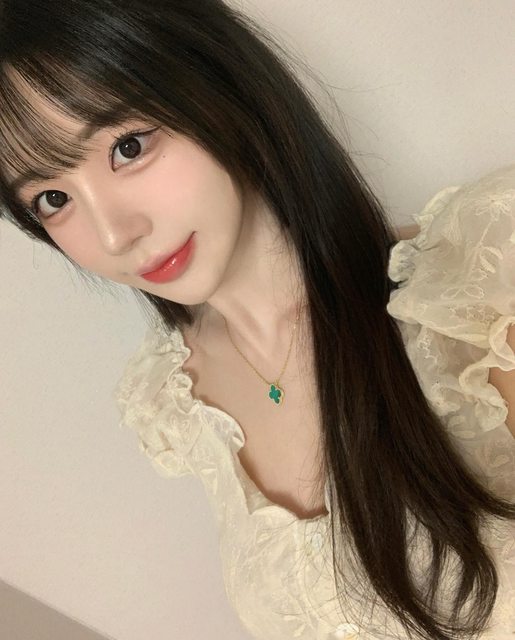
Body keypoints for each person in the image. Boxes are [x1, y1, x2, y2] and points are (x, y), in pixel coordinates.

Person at [0, 1, 514, 638]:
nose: (114, 234)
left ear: (222, 88)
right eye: (52, 199)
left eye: (128, 147)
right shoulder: (174, 398)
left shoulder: (476, 284)